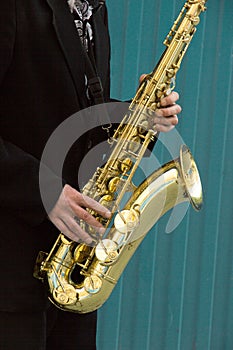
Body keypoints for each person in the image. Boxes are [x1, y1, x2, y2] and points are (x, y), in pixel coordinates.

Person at [0, 0, 182, 349]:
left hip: (73, 268)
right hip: (10, 275)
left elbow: (75, 116)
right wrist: (45, 190)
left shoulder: (94, 9)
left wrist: (137, 117)